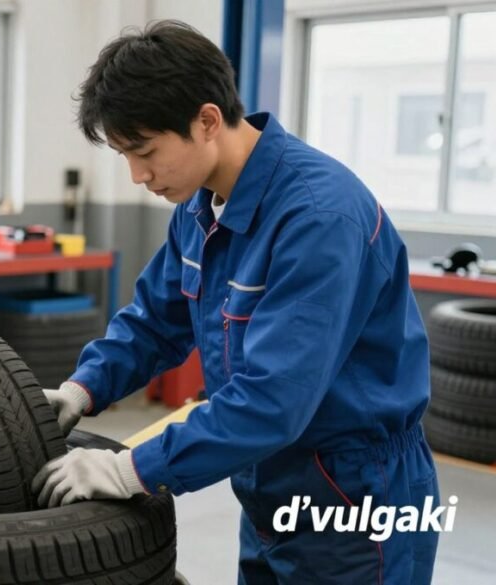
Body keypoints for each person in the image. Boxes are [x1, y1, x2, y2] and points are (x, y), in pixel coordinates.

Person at [31, 20, 439, 584]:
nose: (137, 176)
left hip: (356, 492)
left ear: (206, 121)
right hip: (268, 478)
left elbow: (274, 399)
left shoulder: (318, 219)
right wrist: (84, 388)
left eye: (145, 151)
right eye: (125, 155)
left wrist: (132, 469)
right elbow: (154, 321)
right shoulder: (200, 208)